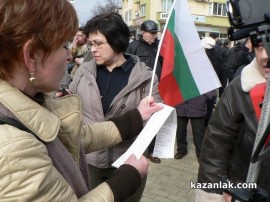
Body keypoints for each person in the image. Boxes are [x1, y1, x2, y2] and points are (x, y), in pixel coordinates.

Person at [0, 1, 162, 201]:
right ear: (31, 55)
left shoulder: (31, 101)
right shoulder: (13, 146)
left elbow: (73, 135)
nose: (70, 56)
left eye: (98, 43)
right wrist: (127, 178)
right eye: (64, 45)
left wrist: (138, 116)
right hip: (95, 164)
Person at [69, 13, 162, 202]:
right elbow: (71, 107)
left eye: (98, 44)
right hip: (89, 161)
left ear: (117, 41)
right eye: (90, 44)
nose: (93, 50)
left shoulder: (144, 78)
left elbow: (153, 122)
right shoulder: (83, 72)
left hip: (127, 162)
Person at [196, 40, 270, 201]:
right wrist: (219, 190)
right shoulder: (240, 88)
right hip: (243, 189)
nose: (265, 55)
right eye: (259, 46)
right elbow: (217, 142)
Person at [126, 20, 163, 164]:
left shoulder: (159, 46)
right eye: (151, 33)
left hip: (155, 89)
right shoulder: (132, 47)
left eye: (155, 33)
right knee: (137, 119)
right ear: (143, 33)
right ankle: (134, 150)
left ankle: (150, 151)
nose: (154, 36)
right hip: (138, 89)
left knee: (154, 121)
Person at [174, 92, 216, 160]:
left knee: (198, 133)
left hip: (197, 106)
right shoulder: (180, 80)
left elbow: (211, 92)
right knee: (180, 131)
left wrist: (202, 98)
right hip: (181, 105)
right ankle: (181, 150)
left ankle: (200, 153)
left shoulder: (202, 80)